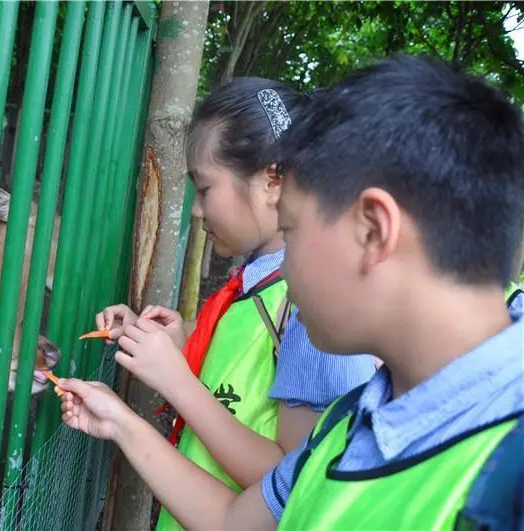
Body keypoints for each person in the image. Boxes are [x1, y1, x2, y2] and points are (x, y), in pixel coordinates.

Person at [60, 56, 524, 529]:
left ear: (373, 231)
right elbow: (230, 520)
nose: (288, 270)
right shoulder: (350, 419)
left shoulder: (508, 485)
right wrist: (119, 420)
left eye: (293, 229)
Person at [95, 78, 376, 529]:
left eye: (204, 189)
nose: (195, 210)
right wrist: (176, 336)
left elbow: (294, 484)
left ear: (272, 181)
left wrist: (176, 381)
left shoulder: (313, 308)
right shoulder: (260, 284)